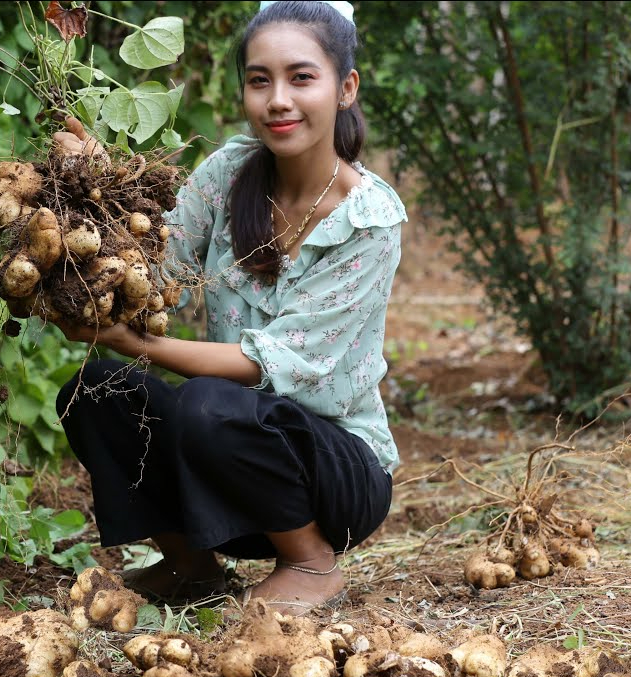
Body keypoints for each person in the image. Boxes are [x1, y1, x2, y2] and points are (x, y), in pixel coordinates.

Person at [50, 0, 405, 616]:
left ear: (345, 88)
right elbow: (154, 270)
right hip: (222, 475)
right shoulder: (228, 173)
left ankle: (311, 564)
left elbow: (280, 363)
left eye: (302, 78)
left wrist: (139, 345)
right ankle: (194, 566)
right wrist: (92, 197)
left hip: (334, 481)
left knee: (211, 401)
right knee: (96, 389)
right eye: (259, 80)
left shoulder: (370, 219)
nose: (278, 100)